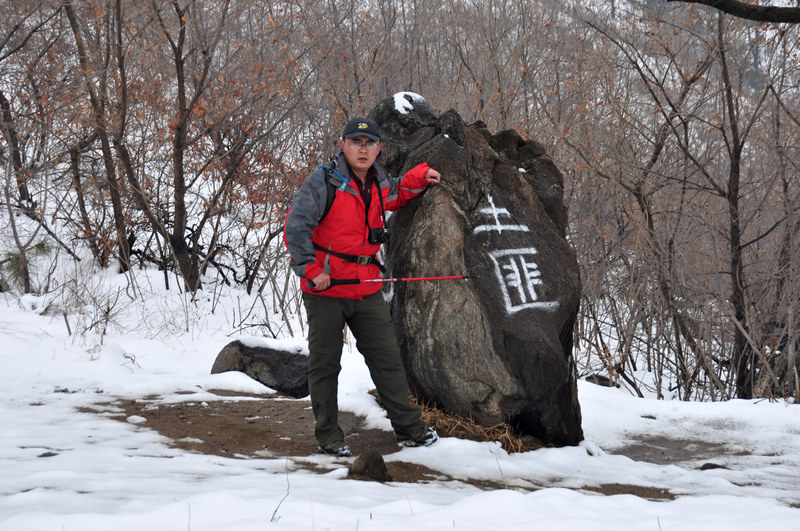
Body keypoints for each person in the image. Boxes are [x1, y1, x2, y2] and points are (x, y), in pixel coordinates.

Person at [284, 117, 441, 457]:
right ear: (343, 145)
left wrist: (421, 176)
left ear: (379, 148)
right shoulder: (324, 181)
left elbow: (398, 193)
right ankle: (329, 436)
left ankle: (409, 428)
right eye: (356, 142)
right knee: (325, 365)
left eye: (370, 143)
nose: (363, 148)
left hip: (366, 285)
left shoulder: (379, 182)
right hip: (326, 290)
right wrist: (311, 270)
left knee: (387, 359)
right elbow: (296, 227)